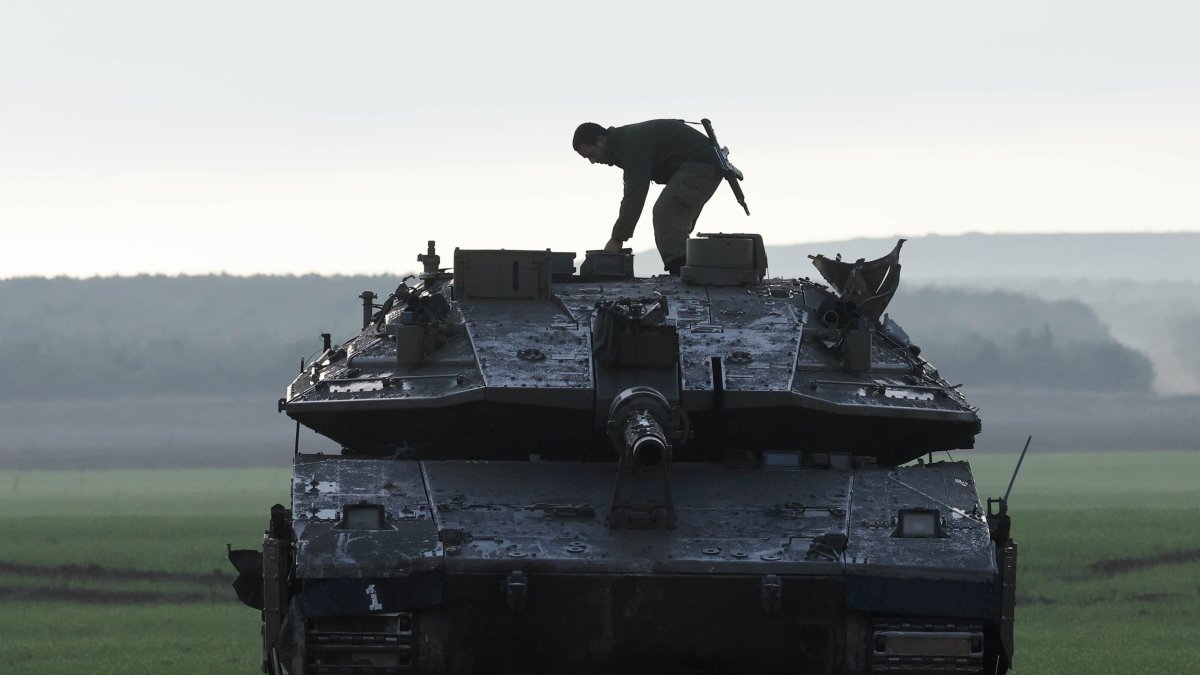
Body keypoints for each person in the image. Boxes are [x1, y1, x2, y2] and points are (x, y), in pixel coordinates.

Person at [573, 119, 722, 274]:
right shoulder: (623, 143)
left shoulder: (630, 144)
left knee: (666, 214)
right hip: (700, 164)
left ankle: (681, 272)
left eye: (592, 154)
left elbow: (634, 195)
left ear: (601, 141)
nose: (593, 161)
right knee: (674, 220)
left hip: (700, 164)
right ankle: (685, 268)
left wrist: (617, 239)